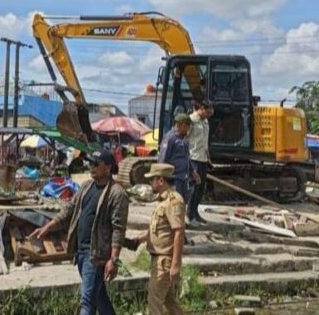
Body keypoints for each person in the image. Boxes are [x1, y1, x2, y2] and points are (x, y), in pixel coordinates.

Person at [30, 150, 129, 315]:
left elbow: (118, 229)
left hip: (96, 254)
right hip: (81, 252)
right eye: (91, 163)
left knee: (87, 301)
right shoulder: (86, 187)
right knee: (99, 298)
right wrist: (47, 227)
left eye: (96, 164)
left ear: (108, 167)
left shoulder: (117, 194)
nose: (91, 167)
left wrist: (114, 259)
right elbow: (68, 210)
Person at [128, 163, 186, 315]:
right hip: (159, 260)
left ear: (161, 181)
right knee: (169, 301)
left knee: (154, 303)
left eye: (152, 179)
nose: (150, 183)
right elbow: (160, 229)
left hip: (164, 262)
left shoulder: (174, 201)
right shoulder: (162, 200)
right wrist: (142, 238)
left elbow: (179, 233)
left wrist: (175, 265)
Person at [159, 113, 199, 201]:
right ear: (183, 125)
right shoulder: (170, 138)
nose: (189, 130)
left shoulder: (184, 139)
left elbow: (186, 158)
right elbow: (162, 159)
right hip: (173, 180)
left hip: (183, 179)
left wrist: (193, 172)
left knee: (181, 204)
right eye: (189, 127)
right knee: (173, 204)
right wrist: (162, 179)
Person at [188, 100, 213, 225]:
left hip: (203, 158)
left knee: (201, 189)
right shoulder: (191, 120)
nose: (209, 115)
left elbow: (204, 141)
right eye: (208, 112)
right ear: (202, 109)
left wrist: (208, 156)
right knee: (194, 188)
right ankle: (190, 215)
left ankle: (196, 213)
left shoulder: (205, 121)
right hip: (193, 159)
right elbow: (186, 139)